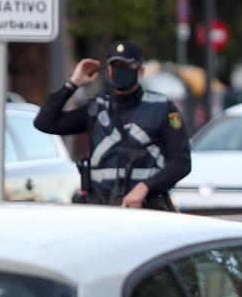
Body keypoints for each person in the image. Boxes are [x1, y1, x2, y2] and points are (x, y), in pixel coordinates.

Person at [34, 40, 190, 210]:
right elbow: (45, 122)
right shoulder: (96, 109)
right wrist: (74, 83)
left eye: (126, 66)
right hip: (103, 210)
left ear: (140, 71)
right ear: (108, 71)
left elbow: (181, 163)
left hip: (147, 209)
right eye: (114, 66)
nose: (119, 71)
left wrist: (145, 187)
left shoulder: (162, 108)